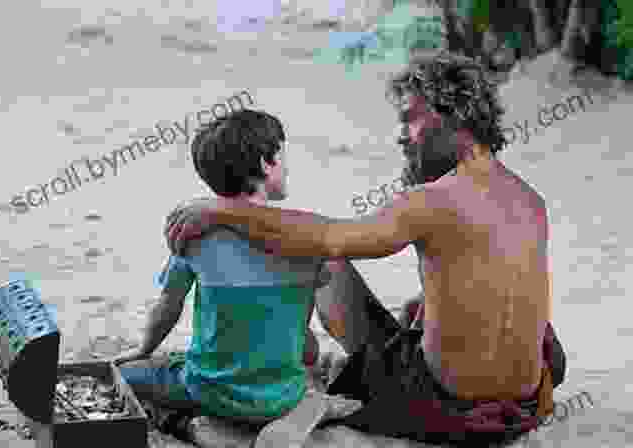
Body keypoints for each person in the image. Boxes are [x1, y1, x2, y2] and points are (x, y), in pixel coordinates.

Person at [163, 51, 567, 445]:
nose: (400, 136)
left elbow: (329, 239)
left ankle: (290, 384)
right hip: (524, 403)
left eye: (409, 120)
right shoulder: (530, 200)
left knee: (329, 261)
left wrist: (223, 211)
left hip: (442, 406)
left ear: (454, 116)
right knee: (421, 307)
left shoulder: (433, 199)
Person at [111, 110, 358, 437]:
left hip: (208, 393)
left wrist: (143, 349)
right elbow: (319, 331)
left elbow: (167, 308)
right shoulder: (306, 241)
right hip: (282, 398)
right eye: (283, 156)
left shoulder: (194, 236)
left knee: (128, 376)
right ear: (266, 162)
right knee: (301, 353)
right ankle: (309, 405)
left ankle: (187, 425)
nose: (286, 166)